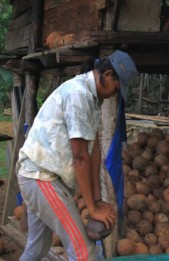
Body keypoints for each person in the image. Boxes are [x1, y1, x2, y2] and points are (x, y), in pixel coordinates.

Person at [16, 50, 138, 260]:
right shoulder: (78, 95)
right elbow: (80, 157)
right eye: (116, 89)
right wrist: (92, 208)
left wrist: (98, 200)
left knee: (38, 248)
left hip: (39, 177)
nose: (114, 95)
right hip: (41, 178)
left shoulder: (93, 100)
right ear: (108, 75)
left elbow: (94, 152)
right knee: (83, 253)